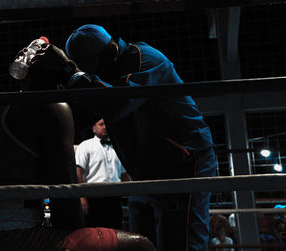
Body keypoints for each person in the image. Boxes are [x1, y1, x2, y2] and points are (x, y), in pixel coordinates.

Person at [34, 24, 217, 251]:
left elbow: (116, 104)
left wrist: (71, 71)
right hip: (150, 170)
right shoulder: (108, 78)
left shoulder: (145, 58)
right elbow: (80, 115)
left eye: (94, 69)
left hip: (185, 160)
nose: (94, 76)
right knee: (151, 241)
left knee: (182, 242)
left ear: (110, 52)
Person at [0, 52, 155, 251]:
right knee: (140, 245)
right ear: (61, 81)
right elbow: (67, 208)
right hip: (11, 233)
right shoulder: (51, 107)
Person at [76, 118, 130, 229]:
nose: (105, 126)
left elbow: (124, 175)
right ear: (94, 128)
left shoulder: (117, 148)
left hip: (115, 198)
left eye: (107, 124)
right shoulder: (85, 145)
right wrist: (81, 197)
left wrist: (130, 194)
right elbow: (77, 173)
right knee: (94, 233)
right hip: (93, 197)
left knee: (115, 233)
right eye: (101, 124)